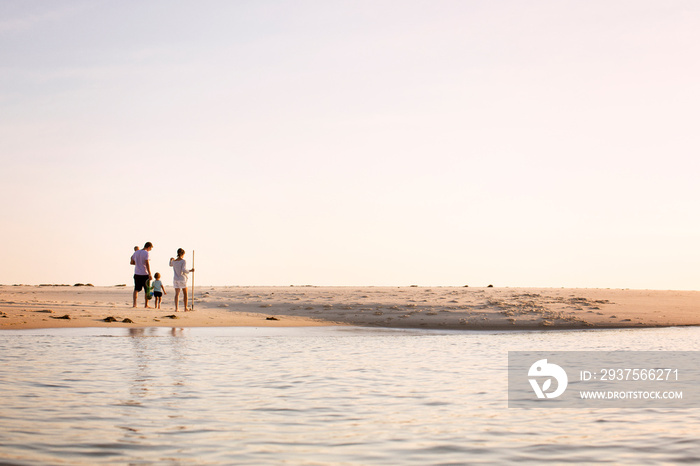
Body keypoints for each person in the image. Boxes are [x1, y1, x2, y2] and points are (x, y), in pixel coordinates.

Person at [131, 242, 153, 308]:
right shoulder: (146, 253)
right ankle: (146, 304)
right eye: (150, 248)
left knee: (136, 289)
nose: (150, 250)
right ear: (148, 247)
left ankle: (134, 304)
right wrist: (150, 273)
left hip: (137, 272)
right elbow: (147, 263)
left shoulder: (136, 252)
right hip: (144, 273)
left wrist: (137, 263)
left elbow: (132, 261)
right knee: (147, 289)